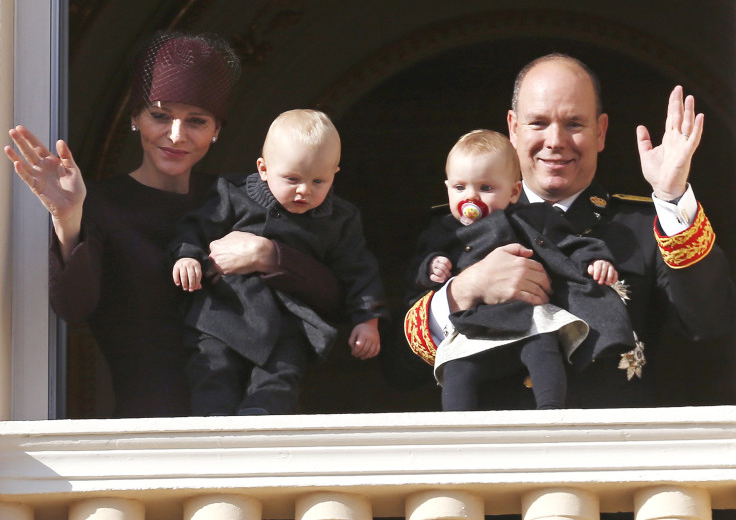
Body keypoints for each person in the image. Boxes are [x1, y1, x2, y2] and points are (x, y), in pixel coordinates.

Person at [4, 32, 341, 418]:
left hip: (252, 420)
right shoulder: (100, 204)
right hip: (153, 430)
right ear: (135, 118)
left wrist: (269, 255)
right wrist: (67, 218)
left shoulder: (241, 197)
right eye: (160, 116)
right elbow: (74, 307)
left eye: (196, 121)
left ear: (217, 130)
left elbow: (331, 296)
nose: (176, 135)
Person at [404, 53, 735, 409]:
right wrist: (464, 290)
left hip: (609, 453)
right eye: (538, 123)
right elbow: (398, 370)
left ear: (601, 131)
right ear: (513, 128)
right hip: (489, 455)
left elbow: (712, 325)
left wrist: (671, 197)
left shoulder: (641, 227)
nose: (555, 140)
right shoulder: (452, 230)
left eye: (574, 123)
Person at [169, 108, 389, 416]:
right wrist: (187, 257)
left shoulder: (339, 219)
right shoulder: (232, 194)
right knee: (212, 376)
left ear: (335, 174)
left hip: (289, 320)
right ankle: (212, 435)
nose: (305, 190)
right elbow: (195, 228)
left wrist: (367, 321)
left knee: (278, 382)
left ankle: (260, 432)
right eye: (292, 178)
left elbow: (358, 270)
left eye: (319, 181)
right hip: (222, 310)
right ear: (263, 169)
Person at [407, 129, 635, 411]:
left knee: (543, 347)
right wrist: (433, 267)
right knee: (456, 368)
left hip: (527, 314)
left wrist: (596, 260)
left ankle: (550, 414)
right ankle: (459, 430)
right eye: (459, 188)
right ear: (447, 188)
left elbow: (570, 244)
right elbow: (419, 272)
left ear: (514, 191)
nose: (471, 198)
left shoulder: (533, 218)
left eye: (486, 188)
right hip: (476, 323)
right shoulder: (442, 231)